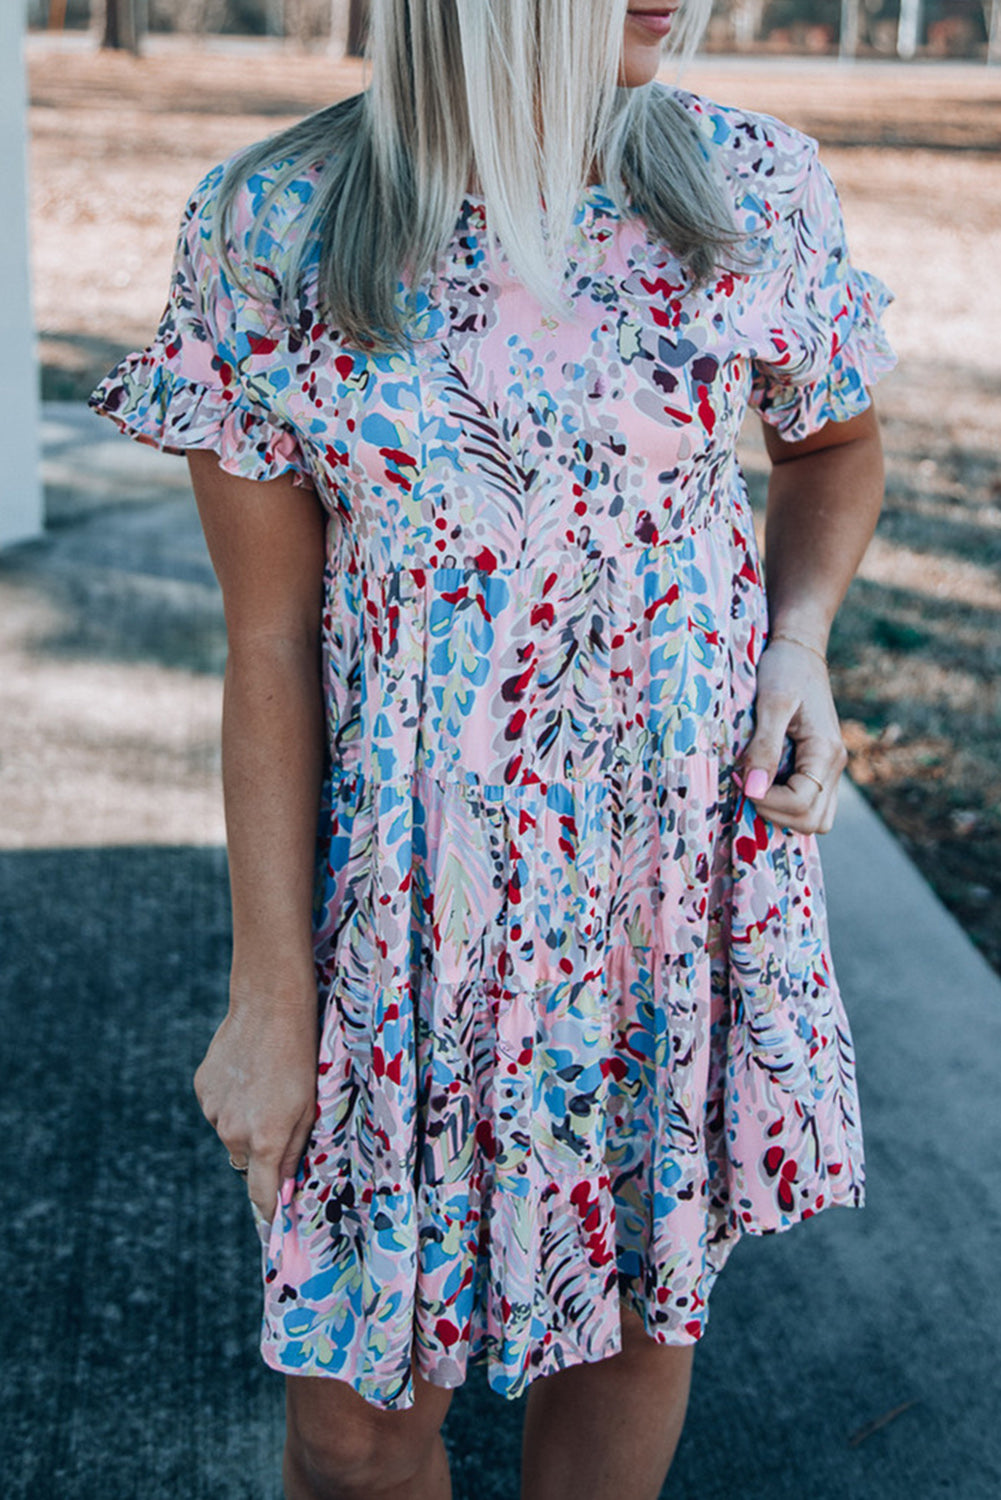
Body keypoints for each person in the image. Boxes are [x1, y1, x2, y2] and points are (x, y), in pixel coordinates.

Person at [90, 2, 895, 1496]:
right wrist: (270, 998)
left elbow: (833, 450)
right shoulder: (276, 220)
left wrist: (796, 643)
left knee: (628, 1326)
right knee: (349, 1439)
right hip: (400, 916)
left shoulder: (749, 189)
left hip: (654, 895)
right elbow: (265, 645)